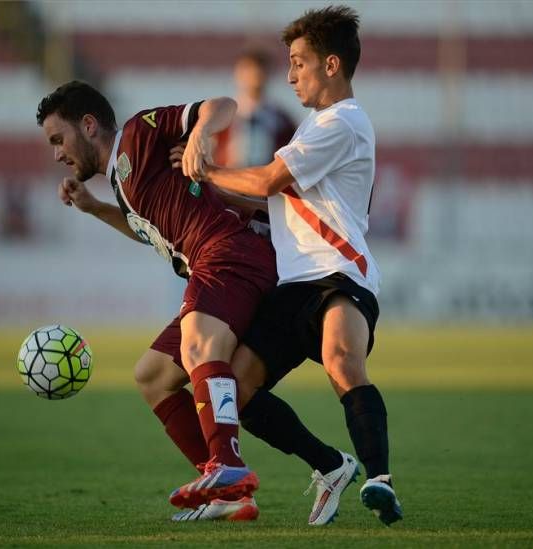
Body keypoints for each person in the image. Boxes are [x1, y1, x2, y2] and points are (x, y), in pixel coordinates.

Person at [36, 82, 354, 524]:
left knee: (199, 345)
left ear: (88, 125)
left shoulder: (137, 134)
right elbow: (149, 231)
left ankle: (227, 465)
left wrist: (201, 136)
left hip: (229, 253)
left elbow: (222, 105)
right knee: (152, 376)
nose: (57, 155)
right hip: (215, 264)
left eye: (58, 139)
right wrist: (94, 208)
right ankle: (229, 491)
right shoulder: (121, 181)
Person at [181, 5, 403, 526]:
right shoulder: (313, 125)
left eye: (299, 62)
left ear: (331, 65)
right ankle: (329, 465)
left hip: (339, 274)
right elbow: (276, 201)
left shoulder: (344, 122)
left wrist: (208, 170)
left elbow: (265, 183)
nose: (289, 74)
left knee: (341, 360)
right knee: (236, 389)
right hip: (293, 281)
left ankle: (380, 480)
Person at [215, 48, 295, 169]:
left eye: (260, 70)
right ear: (237, 72)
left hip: (265, 183)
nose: (254, 75)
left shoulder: (282, 120)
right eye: (247, 69)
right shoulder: (220, 116)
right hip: (223, 183)